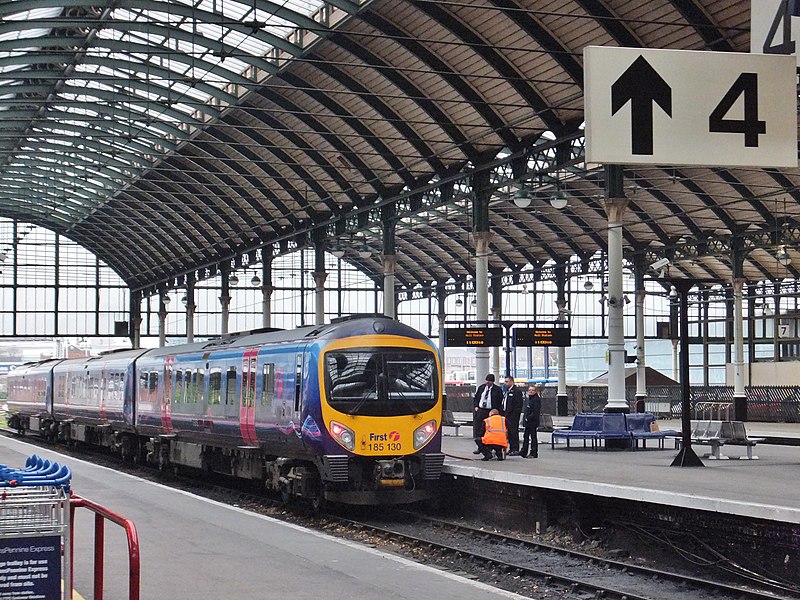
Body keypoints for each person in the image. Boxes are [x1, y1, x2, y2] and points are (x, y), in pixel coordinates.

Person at [472, 374, 503, 454]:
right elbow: (476, 398)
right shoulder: (481, 388)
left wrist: (496, 411)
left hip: (490, 411)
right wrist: (476, 406)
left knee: (489, 430)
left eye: (489, 381)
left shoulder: (497, 390)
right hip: (481, 410)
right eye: (486, 380)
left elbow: (500, 401)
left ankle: (489, 448)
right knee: (479, 429)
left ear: (492, 381)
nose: (487, 382)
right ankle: (480, 447)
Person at [502, 375, 524, 455]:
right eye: (505, 381)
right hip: (506, 414)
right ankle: (511, 448)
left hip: (513, 415)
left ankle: (515, 448)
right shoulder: (507, 391)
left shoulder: (516, 391)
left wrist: (514, 414)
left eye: (507, 381)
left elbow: (518, 404)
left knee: (513, 431)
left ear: (512, 381)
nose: (505, 383)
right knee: (509, 432)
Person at [520, 385, 542, 458]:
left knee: (533, 437)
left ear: (535, 391)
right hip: (528, 422)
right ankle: (524, 451)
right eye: (529, 390)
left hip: (532, 422)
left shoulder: (536, 400)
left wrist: (528, 418)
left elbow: (535, 411)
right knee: (526, 436)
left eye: (532, 390)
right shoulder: (530, 399)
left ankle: (533, 452)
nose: (531, 391)